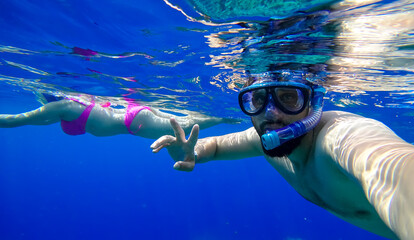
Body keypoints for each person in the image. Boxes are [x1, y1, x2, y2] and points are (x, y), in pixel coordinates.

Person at [151, 72, 414, 240]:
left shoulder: (339, 137)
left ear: (313, 103)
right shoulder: (263, 140)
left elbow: (396, 171)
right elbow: (216, 146)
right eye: (258, 100)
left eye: (289, 98)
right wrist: (191, 151)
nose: (271, 114)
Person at [0, 92, 239, 139]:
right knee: (185, 121)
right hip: (132, 116)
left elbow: (18, 120)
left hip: (132, 122)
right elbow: (36, 120)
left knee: (185, 125)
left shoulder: (60, 107)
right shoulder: (66, 107)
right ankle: (220, 116)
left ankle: (223, 117)